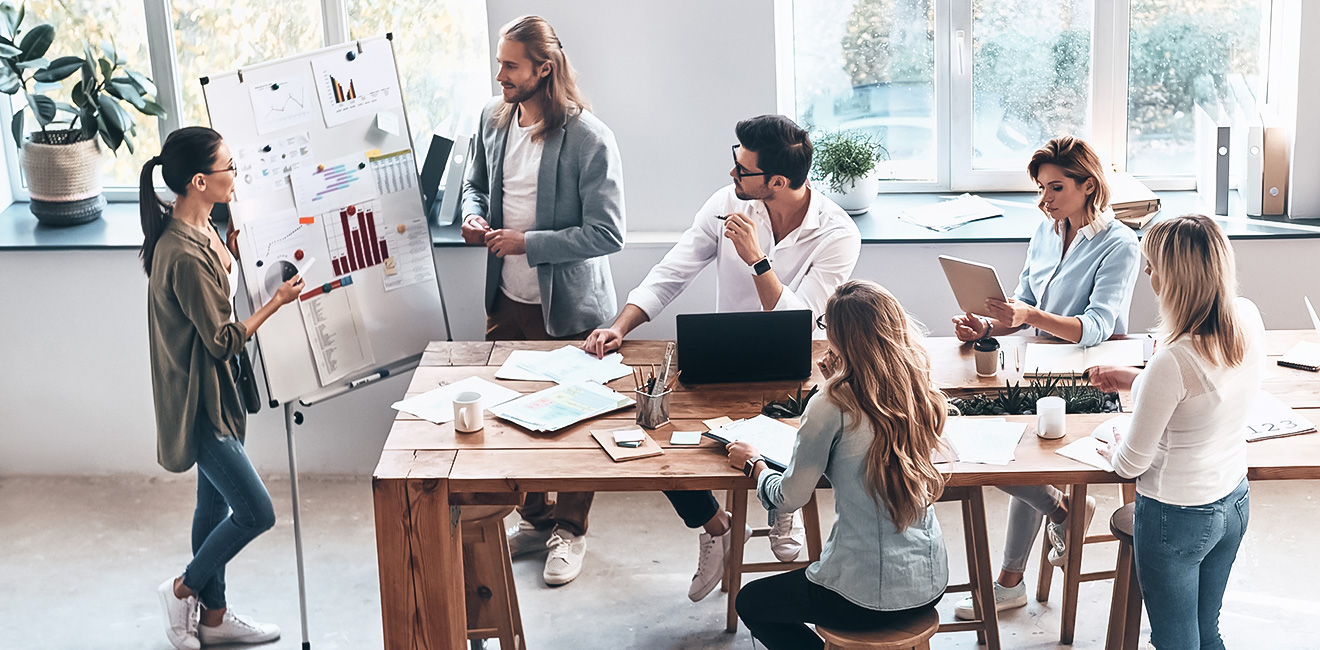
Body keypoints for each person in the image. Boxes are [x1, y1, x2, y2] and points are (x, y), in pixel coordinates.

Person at [581, 114, 863, 601]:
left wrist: (758, 259)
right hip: (723, 364)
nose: (733, 176)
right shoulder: (727, 203)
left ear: (777, 181)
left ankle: (783, 498)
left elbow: (805, 323)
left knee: (797, 430)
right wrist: (620, 325)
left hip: (800, 373)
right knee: (655, 441)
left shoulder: (836, 233)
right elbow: (674, 268)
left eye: (743, 170)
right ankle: (716, 525)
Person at [460, 15, 626, 586]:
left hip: (572, 311)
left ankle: (570, 532)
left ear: (543, 69)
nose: (499, 74)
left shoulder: (589, 138)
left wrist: (527, 244)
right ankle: (534, 517)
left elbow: (607, 234)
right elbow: (474, 182)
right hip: (504, 301)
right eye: (499, 62)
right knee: (506, 416)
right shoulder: (492, 117)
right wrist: (473, 213)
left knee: (576, 426)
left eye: (510, 65)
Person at [949, 136, 1140, 620]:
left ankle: (1009, 581)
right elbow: (1020, 306)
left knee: (1010, 454)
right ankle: (1063, 513)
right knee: (979, 441)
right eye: (1040, 187)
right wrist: (987, 325)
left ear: (1088, 185)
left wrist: (1029, 314)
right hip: (1033, 368)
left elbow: (1095, 326)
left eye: (1055, 187)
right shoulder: (1046, 230)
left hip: (1090, 379)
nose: (1045, 199)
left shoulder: (1119, 244)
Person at [143, 127, 301, 650]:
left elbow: (217, 289)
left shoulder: (204, 224)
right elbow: (219, 340)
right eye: (228, 167)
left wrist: (230, 253)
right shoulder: (183, 252)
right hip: (200, 402)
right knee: (257, 512)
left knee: (210, 510)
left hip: (220, 393)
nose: (236, 175)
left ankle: (214, 619)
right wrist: (275, 303)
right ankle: (182, 589)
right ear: (198, 181)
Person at [728, 280, 948, 649]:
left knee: (751, 602)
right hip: (930, 583)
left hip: (864, 596)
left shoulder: (830, 404)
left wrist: (756, 466)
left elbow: (789, 498)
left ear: (840, 338)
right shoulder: (919, 389)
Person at [1091, 215, 1264, 650]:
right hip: (1233, 502)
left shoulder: (1171, 361)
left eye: (1152, 267)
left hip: (1178, 517)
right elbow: (1203, 389)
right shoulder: (1247, 317)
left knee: (1175, 640)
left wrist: (1116, 440)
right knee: (1207, 632)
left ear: (1173, 278)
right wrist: (1138, 379)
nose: (1147, 275)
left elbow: (1131, 464)